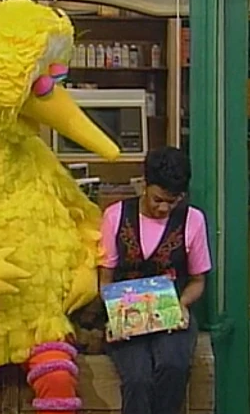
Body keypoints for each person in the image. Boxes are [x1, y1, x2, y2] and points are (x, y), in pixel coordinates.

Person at [99, 146, 212, 414]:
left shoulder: (193, 220)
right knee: (137, 379)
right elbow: (105, 280)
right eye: (157, 199)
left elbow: (198, 280)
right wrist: (113, 315)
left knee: (173, 367)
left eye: (172, 201)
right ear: (144, 185)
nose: (164, 208)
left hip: (172, 311)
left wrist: (183, 304)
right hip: (126, 313)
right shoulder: (115, 216)